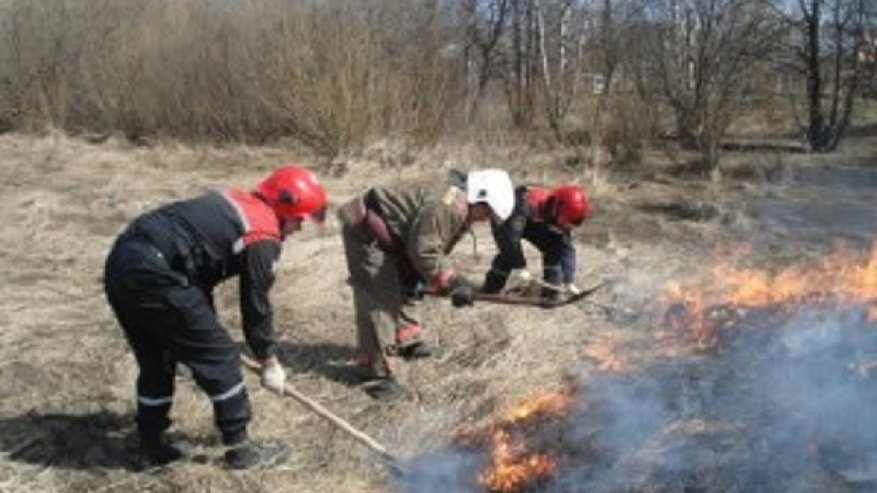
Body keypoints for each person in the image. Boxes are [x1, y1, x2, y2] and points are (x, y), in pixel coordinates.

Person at [103, 165, 327, 470]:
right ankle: (241, 450)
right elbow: (256, 305)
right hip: (156, 273)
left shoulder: (237, 204)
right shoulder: (262, 234)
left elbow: (197, 274)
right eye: (300, 220)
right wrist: (268, 360)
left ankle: (150, 447)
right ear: (285, 209)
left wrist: (204, 326)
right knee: (221, 356)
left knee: (158, 359)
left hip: (123, 262)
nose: (300, 229)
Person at [338, 168, 515, 400]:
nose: (485, 220)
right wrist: (452, 281)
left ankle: (406, 340)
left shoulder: (459, 202)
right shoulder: (449, 205)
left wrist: (434, 279)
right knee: (381, 297)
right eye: (488, 213)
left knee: (411, 282)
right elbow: (425, 251)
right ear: (480, 196)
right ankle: (375, 374)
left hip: (394, 235)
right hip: (367, 232)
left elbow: (432, 249)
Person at [480, 184, 592, 300]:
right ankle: (491, 289)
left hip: (532, 223)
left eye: (568, 223)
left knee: (555, 246)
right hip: (508, 219)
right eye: (564, 221)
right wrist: (520, 266)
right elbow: (510, 238)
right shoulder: (526, 203)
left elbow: (566, 247)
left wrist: (569, 281)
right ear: (556, 207)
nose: (565, 225)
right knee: (508, 254)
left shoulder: (559, 214)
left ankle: (551, 293)